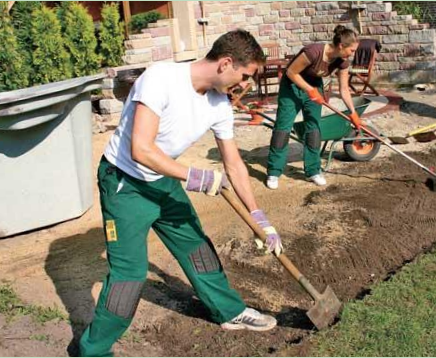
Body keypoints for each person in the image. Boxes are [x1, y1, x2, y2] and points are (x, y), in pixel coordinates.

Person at [79, 30, 284, 357]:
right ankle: (93, 350)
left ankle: (229, 310)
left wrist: (259, 217)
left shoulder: (219, 105)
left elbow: (234, 165)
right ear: (226, 63)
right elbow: (141, 150)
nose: (246, 85)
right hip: (125, 183)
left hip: (163, 179)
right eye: (245, 76)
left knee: (197, 247)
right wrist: (197, 177)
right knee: (129, 276)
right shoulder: (161, 78)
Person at [266, 25, 360, 190]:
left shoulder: (342, 62)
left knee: (314, 130)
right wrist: (309, 90)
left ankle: (313, 170)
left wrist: (353, 113)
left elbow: (344, 89)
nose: (352, 54)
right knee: (282, 129)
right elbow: (291, 73)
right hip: (292, 86)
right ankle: (274, 171)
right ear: (341, 46)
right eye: (351, 50)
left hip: (314, 86)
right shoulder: (314, 52)